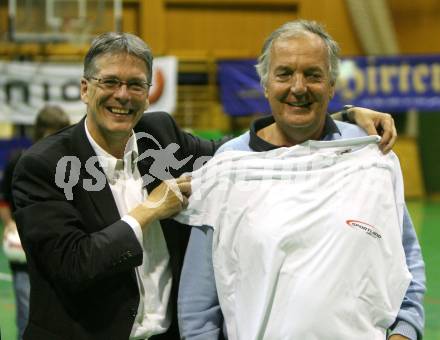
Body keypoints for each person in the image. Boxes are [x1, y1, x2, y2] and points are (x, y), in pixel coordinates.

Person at [12, 31, 399, 340]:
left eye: (135, 85)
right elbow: (75, 266)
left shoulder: (159, 136)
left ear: (148, 93)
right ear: (84, 89)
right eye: (110, 82)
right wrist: (149, 210)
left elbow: (247, 152)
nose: (122, 96)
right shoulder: (45, 166)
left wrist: (336, 119)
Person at [177, 20, 425, 340]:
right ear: (265, 84)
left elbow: (408, 263)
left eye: (313, 74)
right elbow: (198, 304)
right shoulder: (230, 166)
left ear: (331, 85)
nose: (298, 87)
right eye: (284, 74)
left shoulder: (369, 156)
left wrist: (404, 331)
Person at [0, 105, 70, 340]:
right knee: (27, 316)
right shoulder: (18, 161)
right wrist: (9, 224)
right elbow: (4, 200)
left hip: (61, 251)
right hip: (24, 252)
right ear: (39, 132)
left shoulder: (70, 165)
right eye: (52, 134)